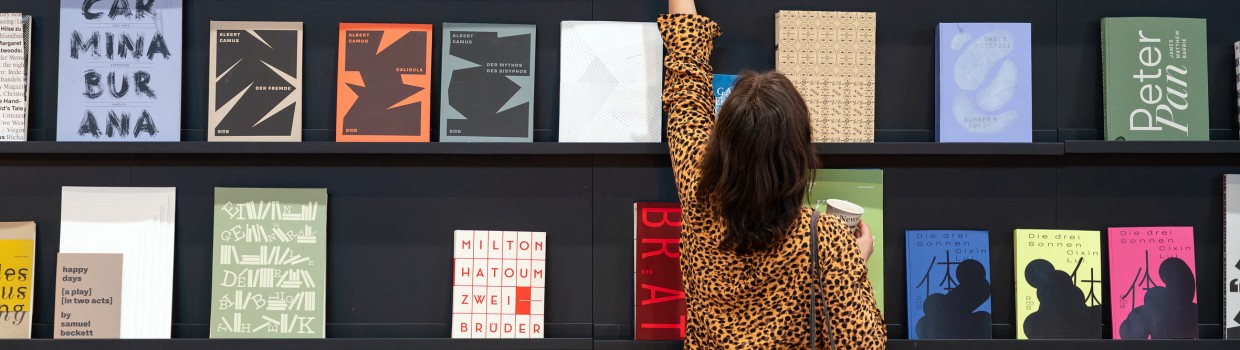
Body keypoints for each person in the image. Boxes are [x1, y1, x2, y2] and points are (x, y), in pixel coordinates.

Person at [659, 0, 887, 349]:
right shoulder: (826, 240)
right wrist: (855, 262)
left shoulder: (698, 196)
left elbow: (687, 90)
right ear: (797, 154)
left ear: (721, 144)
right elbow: (864, 344)